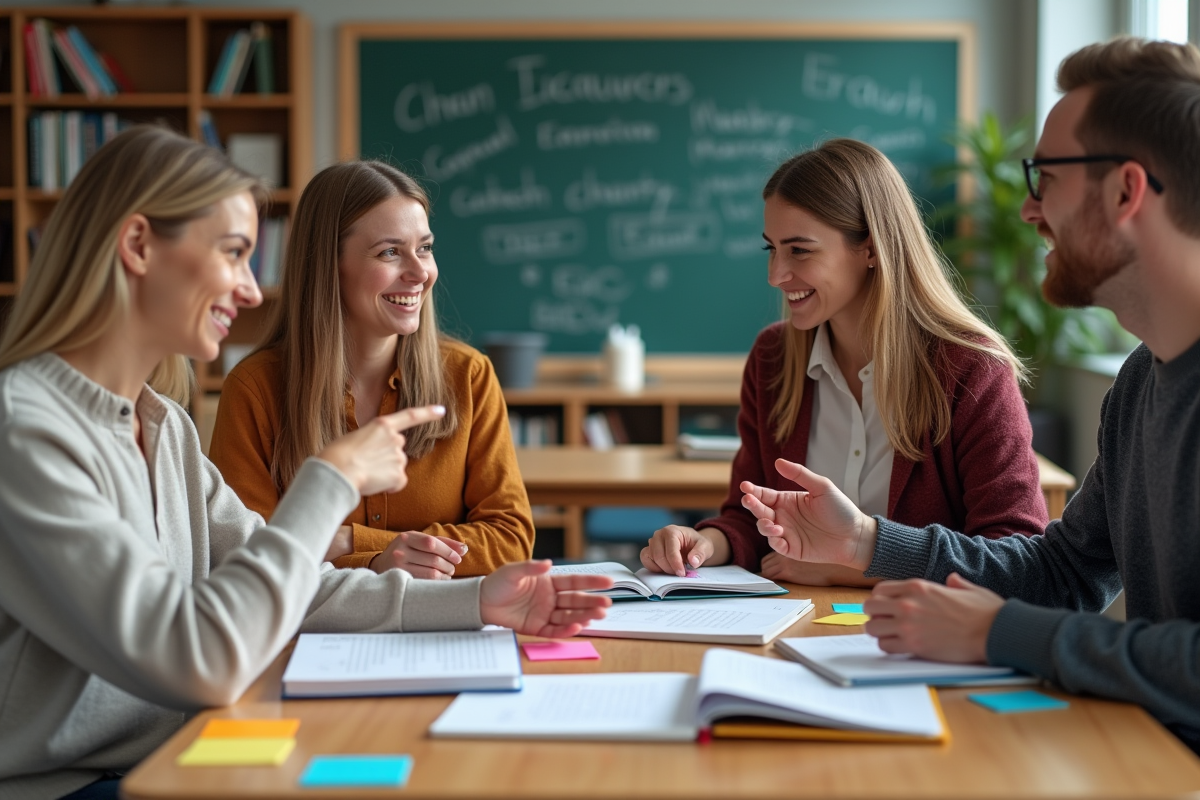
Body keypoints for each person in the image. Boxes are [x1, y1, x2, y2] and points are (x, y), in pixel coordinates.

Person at [0, 127, 612, 800]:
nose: (252, 291)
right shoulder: (25, 432)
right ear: (139, 246)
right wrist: (332, 482)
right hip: (76, 785)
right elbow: (197, 659)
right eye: (234, 254)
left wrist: (475, 601)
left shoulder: (163, 427)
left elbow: (283, 581)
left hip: (176, 754)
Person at [739, 38, 1200, 754]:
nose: (1026, 209)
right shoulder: (1141, 381)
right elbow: (1064, 573)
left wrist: (996, 632)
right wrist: (865, 541)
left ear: (1125, 191)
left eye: (1044, 177)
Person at [640, 138, 1048, 585]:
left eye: (800, 250)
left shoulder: (971, 370)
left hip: (921, 639)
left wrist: (851, 567)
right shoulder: (773, 359)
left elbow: (1016, 558)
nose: (776, 275)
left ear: (871, 248)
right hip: (795, 626)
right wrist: (705, 543)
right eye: (771, 249)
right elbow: (751, 518)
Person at [209, 161, 534, 579]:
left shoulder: (469, 376)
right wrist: (382, 559)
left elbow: (511, 540)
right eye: (390, 252)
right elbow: (247, 557)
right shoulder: (254, 390)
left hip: (446, 631)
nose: (421, 273)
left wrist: (353, 543)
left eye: (425, 248)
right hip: (311, 637)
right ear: (329, 265)